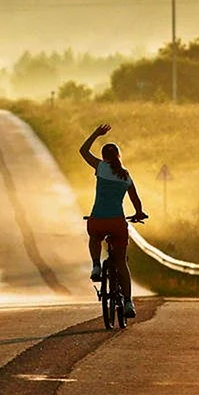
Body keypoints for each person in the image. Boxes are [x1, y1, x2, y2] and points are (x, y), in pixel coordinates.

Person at [80, 123, 148, 318]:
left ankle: (95, 266)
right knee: (120, 263)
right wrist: (138, 214)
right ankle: (128, 303)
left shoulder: (100, 167)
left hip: (98, 219)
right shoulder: (126, 175)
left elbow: (83, 151)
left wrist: (96, 133)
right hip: (117, 223)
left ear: (104, 157)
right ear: (119, 157)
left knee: (94, 237)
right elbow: (136, 202)